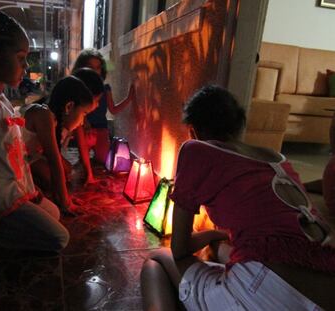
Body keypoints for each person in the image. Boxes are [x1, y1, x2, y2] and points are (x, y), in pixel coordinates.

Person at [140, 85, 335, 311]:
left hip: (266, 291)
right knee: (218, 250)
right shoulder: (278, 159)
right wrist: (214, 236)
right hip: (326, 289)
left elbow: (180, 250)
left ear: (192, 131)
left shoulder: (195, 149)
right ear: (238, 126)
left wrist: (211, 234)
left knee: (156, 259)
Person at [0, 8, 69, 253]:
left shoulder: (1, 97)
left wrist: (30, 190)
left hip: (14, 190)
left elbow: (12, 154)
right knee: (59, 239)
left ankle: (10, 224)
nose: (26, 66)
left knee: (55, 214)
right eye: (20, 58)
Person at [18, 75, 98, 215]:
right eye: (84, 114)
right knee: (54, 180)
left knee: (65, 170)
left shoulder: (53, 120)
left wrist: (66, 196)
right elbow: (54, 162)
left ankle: (42, 188)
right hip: (8, 166)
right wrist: (66, 202)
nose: (82, 122)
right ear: (69, 106)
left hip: (25, 159)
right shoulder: (43, 115)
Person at [71, 48, 136, 169]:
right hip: (84, 129)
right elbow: (76, 110)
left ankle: (92, 157)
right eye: (90, 66)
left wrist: (128, 99)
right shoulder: (79, 88)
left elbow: (113, 110)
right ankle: (85, 158)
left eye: (98, 67)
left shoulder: (105, 89)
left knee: (103, 160)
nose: (95, 71)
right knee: (84, 161)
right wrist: (85, 123)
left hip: (101, 129)